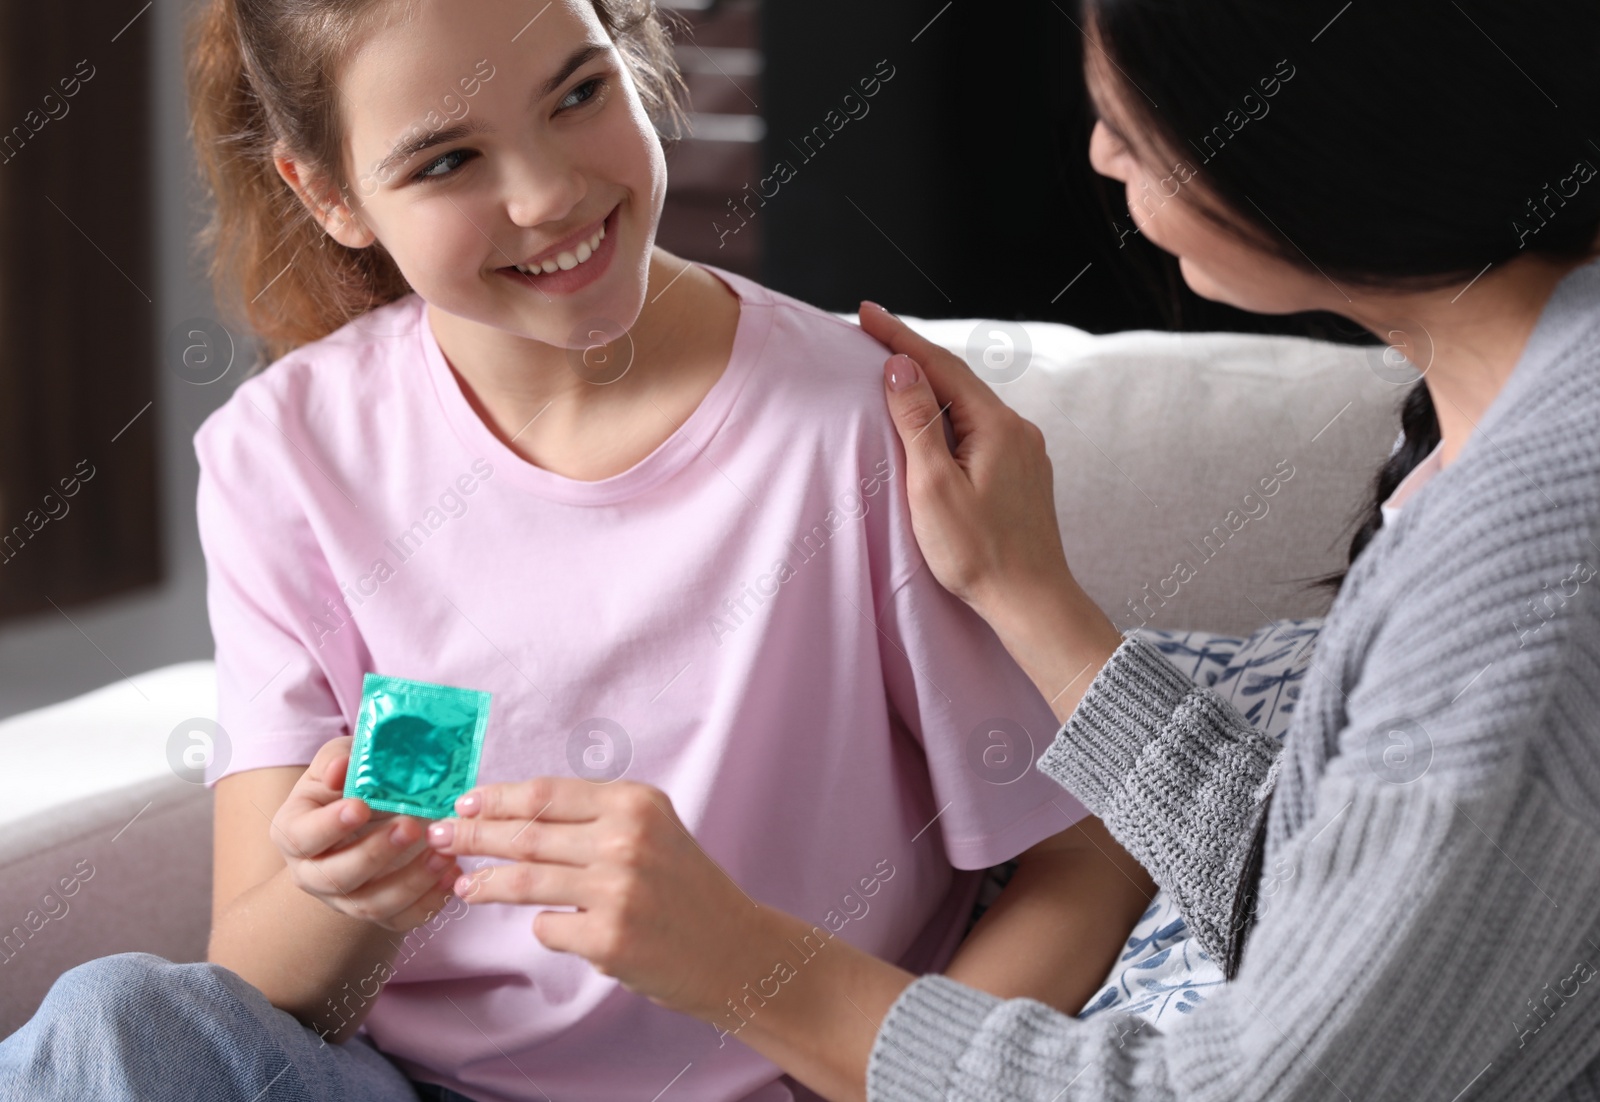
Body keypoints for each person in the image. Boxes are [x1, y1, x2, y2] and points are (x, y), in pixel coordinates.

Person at [417, 1, 1600, 1100]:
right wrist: (1024, 590)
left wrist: (747, 965)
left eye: (1131, 120)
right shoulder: (1519, 437)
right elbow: (1341, 918)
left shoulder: (1529, 554)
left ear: (1322, 119)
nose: (1100, 155)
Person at [0, 1, 1153, 1102]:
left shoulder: (857, 429)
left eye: (578, 92)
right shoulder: (285, 454)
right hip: (398, 1083)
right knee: (113, 1020)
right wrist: (351, 891)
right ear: (330, 193)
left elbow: (1088, 862)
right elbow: (254, 987)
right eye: (447, 160)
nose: (551, 194)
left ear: (629, 52)